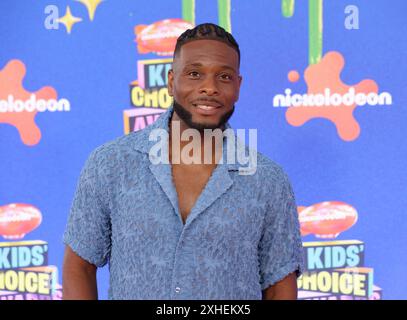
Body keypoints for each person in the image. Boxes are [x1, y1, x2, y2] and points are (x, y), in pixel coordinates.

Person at [62, 23, 304, 300]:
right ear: (170, 81)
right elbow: (78, 266)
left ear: (238, 86)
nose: (209, 88)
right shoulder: (111, 164)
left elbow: (279, 286)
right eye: (194, 74)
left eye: (224, 77)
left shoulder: (267, 180)